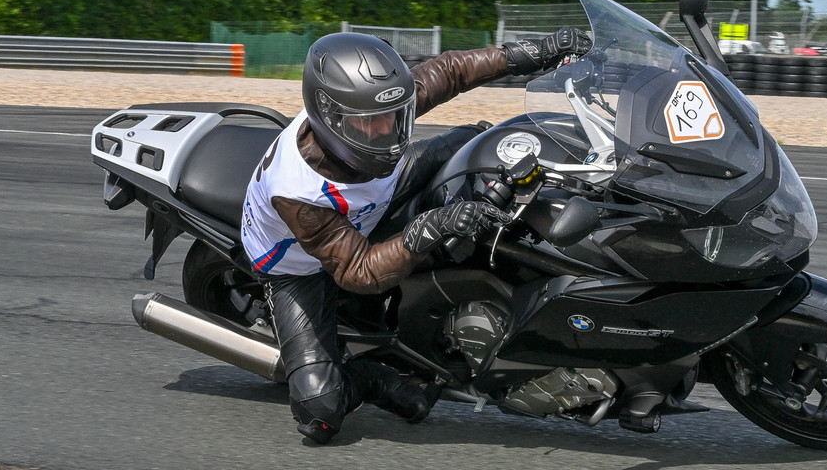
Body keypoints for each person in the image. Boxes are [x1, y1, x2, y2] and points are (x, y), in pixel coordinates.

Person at [241, 27, 591, 444]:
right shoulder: (297, 192)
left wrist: (538, 52)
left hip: (368, 205)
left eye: (395, 116)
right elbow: (356, 271)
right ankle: (379, 379)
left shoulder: (370, 105)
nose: (387, 131)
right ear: (329, 119)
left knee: (479, 144)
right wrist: (433, 226)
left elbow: (450, 70)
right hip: (302, 268)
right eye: (370, 124)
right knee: (321, 406)